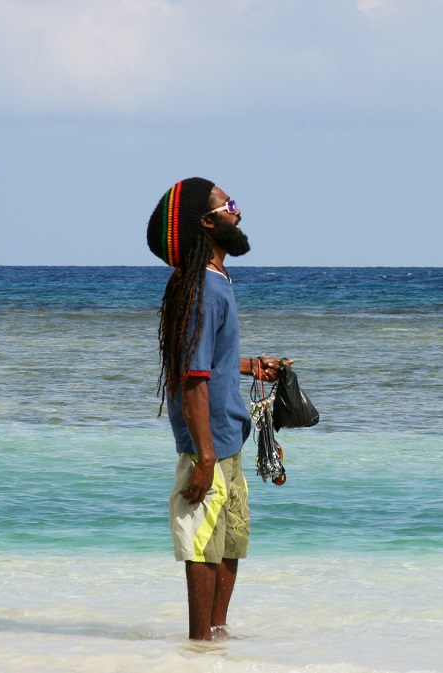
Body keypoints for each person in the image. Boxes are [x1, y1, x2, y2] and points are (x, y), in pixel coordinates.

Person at [146, 177, 286, 640]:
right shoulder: (202, 288)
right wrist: (204, 457)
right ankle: (199, 647)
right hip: (207, 446)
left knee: (229, 543)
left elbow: (209, 360)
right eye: (231, 205)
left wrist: (250, 366)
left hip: (227, 438)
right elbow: (192, 377)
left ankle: (218, 640)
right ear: (207, 222)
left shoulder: (216, 280)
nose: (239, 213)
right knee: (203, 548)